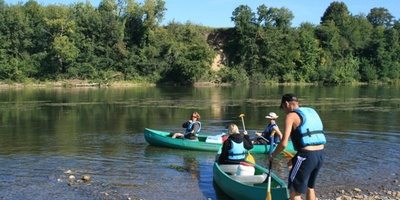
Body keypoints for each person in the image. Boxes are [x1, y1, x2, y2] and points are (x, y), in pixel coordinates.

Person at [270, 93, 326, 200]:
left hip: (306, 156)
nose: (284, 111)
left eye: (283, 108)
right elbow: (310, 141)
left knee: (294, 192)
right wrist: (295, 158)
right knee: (310, 187)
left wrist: (272, 155)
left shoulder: (290, 116)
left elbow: (283, 143)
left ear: (286, 104)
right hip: (320, 154)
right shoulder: (311, 111)